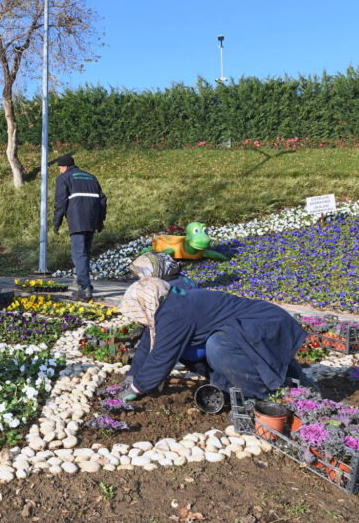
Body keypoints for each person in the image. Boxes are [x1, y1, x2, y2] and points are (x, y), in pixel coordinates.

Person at [115, 277, 312, 402]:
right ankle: (299, 387)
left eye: (136, 311)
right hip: (252, 329)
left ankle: (270, 395)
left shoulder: (173, 314)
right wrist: (132, 376)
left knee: (218, 347)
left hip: (265, 326)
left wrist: (137, 387)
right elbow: (149, 344)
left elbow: (161, 357)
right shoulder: (165, 303)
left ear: (145, 303)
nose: (137, 317)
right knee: (201, 347)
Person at [52, 154, 106, 299]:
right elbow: (102, 200)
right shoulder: (91, 177)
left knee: (79, 254)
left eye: (59, 168)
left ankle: (85, 287)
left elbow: (60, 202)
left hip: (77, 221)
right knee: (85, 254)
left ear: (64, 167)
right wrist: (100, 221)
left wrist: (56, 222)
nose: (60, 171)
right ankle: (86, 283)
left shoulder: (64, 178)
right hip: (92, 220)